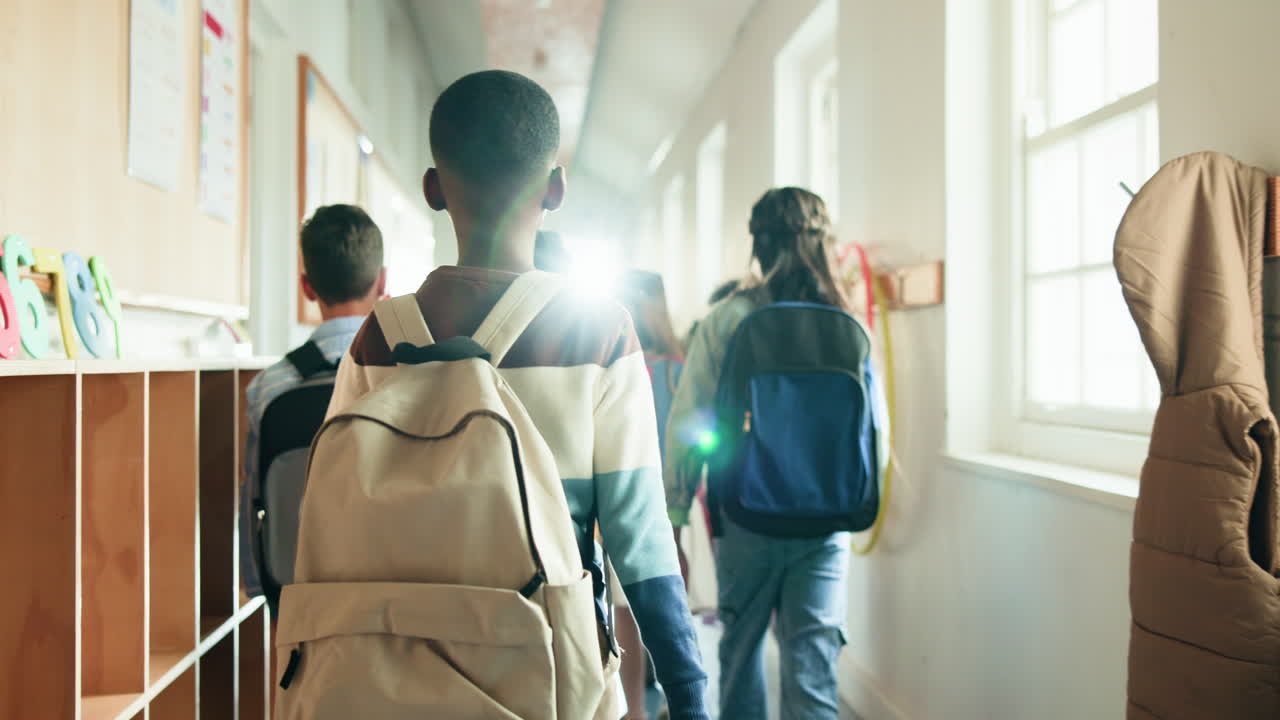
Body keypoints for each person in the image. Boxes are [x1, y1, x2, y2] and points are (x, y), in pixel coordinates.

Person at [326, 70, 709, 720]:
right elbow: (639, 543)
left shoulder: (378, 338)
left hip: (394, 675)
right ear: (556, 189)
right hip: (551, 678)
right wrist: (691, 694)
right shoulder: (600, 333)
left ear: (433, 189)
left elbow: (336, 513)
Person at [666, 188, 882, 720]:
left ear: (757, 245)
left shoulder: (727, 319)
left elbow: (689, 421)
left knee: (740, 658)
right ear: (823, 244)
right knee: (812, 664)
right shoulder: (850, 325)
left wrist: (672, 514)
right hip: (826, 524)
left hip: (746, 517)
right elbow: (872, 430)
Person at [240, 204, 386, 610]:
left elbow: (253, 500)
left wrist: (263, 592)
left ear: (307, 287)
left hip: (299, 601)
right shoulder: (408, 372)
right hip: (395, 600)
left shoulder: (270, 387)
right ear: (383, 281)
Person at [615, 270, 686, 720]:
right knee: (669, 594)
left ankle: (635, 707)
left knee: (626, 604)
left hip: (625, 495)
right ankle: (669, 692)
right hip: (668, 500)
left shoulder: (617, 360)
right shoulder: (677, 368)